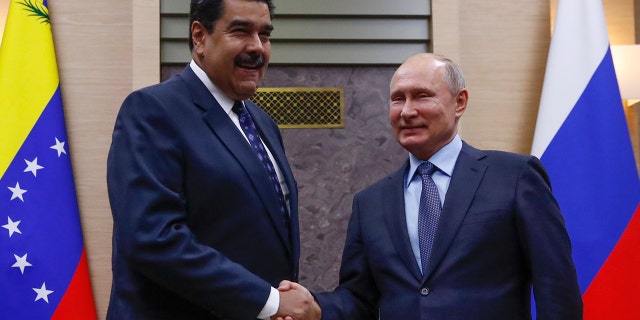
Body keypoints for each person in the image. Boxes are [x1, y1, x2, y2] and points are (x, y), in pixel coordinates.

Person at [282, 52, 583, 319]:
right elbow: (360, 298)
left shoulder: (515, 177)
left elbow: (556, 287)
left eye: (422, 96)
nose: (407, 111)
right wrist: (316, 308)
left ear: (459, 102)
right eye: (398, 98)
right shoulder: (370, 202)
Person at [106, 0, 319, 319]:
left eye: (265, 34)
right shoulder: (152, 111)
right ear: (199, 36)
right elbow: (153, 238)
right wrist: (270, 302)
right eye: (241, 31)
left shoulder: (263, 123)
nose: (257, 48)